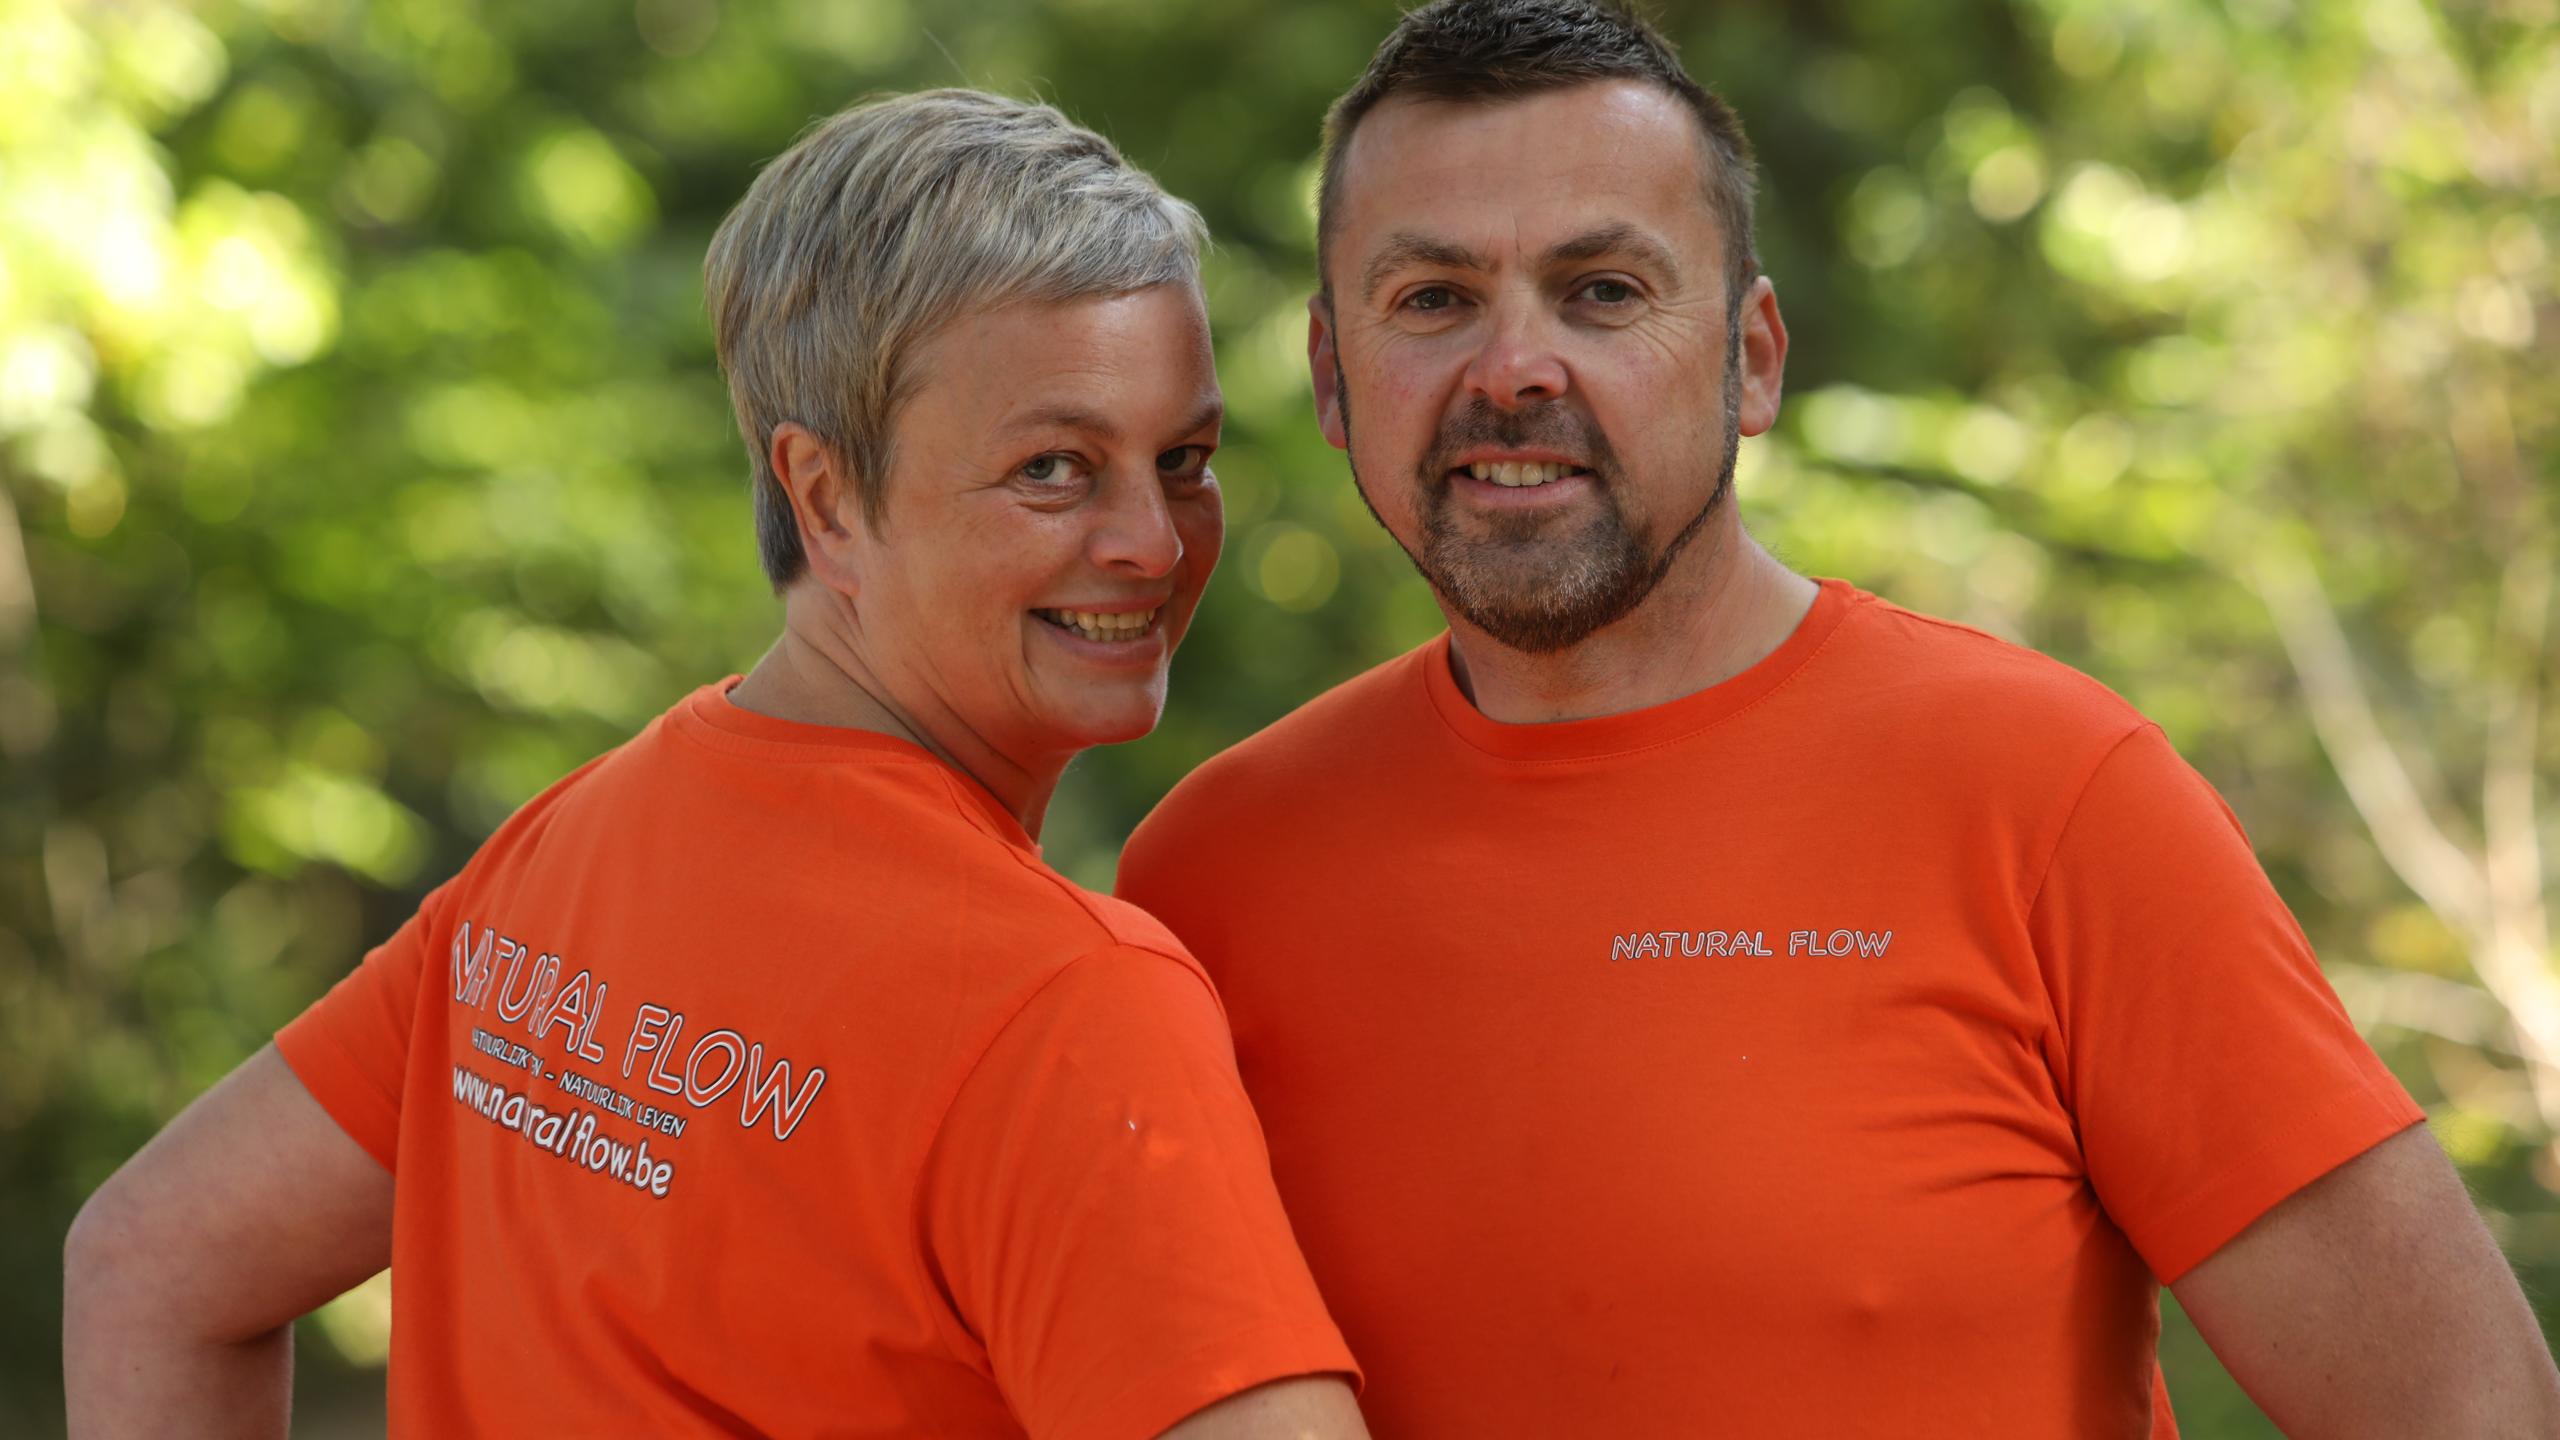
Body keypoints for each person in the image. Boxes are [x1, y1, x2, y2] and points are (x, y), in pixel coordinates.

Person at [1116, 3, 2560, 1435]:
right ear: (1328, 375)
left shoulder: (2049, 794)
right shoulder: (1210, 880)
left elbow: (2467, 1409)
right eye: (1433, 299)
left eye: (1604, 291)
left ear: (1752, 359)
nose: (1514, 370)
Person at [65, 89, 1368, 1440]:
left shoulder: (568, 851)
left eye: (1186, 459)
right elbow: (148, 1267)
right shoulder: (1068, 1009)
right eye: (1054, 469)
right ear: (826, 500)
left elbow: (146, 1264)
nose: (1154, 543)